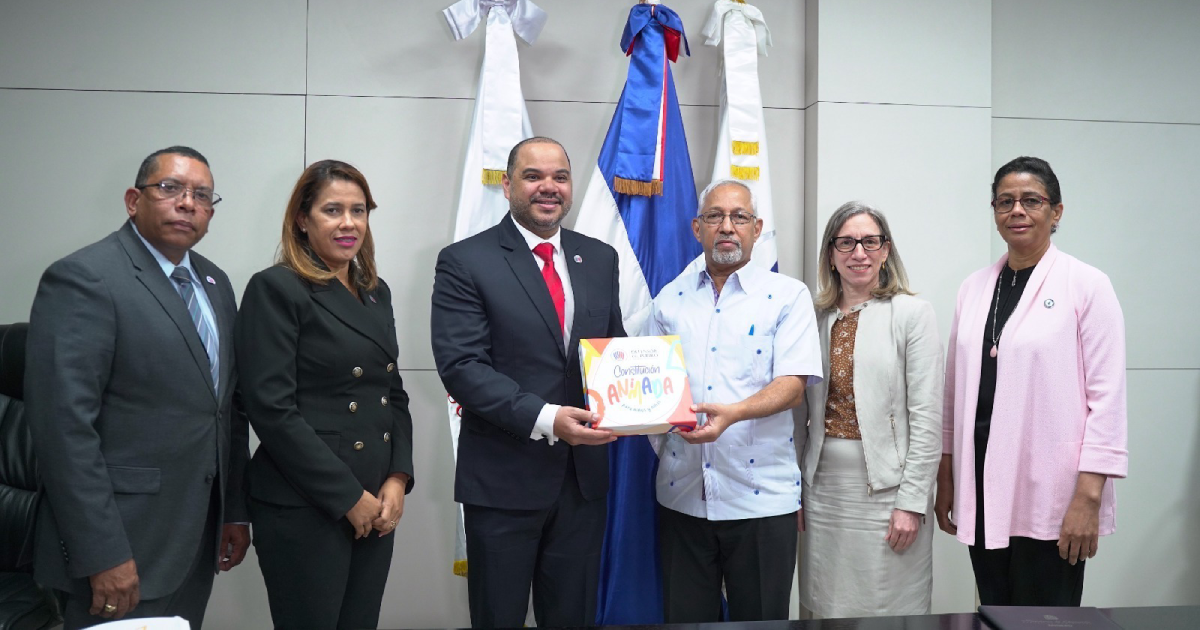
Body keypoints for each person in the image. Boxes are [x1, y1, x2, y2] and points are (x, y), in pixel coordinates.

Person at [25, 146, 249, 629]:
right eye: (170, 188)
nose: (187, 203)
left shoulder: (215, 283)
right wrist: (101, 554)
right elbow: (63, 431)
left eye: (202, 195)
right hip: (119, 547)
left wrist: (234, 511)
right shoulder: (85, 278)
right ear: (133, 200)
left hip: (195, 535)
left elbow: (225, 409)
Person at [431, 137, 625, 628]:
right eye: (534, 176)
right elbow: (462, 366)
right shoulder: (465, 261)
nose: (549, 187)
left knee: (573, 618)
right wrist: (547, 418)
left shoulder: (599, 258)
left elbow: (615, 353)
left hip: (583, 484)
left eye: (560, 176)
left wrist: (654, 405)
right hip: (503, 482)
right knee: (499, 618)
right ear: (507, 184)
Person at [936, 156, 1127, 606]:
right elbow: (953, 393)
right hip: (981, 482)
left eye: (1031, 200)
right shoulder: (975, 287)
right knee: (996, 610)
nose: (1016, 210)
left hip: (1054, 493)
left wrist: (1088, 497)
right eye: (1005, 201)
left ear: (1056, 211)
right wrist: (946, 473)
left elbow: (1108, 398)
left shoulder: (1087, 285)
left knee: (1046, 619)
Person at [234, 160, 415, 629]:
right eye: (332, 210)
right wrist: (346, 496)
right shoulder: (276, 288)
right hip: (308, 503)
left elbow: (391, 393)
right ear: (302, 218)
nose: (348, 223)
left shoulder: (375, 292)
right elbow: (271, 410)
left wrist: (397, 477)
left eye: (359, 210)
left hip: (375, 500)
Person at [645, 179, 821, 622]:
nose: (727, 226)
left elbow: (793, 385)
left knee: (761, 622)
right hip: (682, 495)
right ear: (696, 228)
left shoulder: (788, 295)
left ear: (757, 228)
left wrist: (734, 413)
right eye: (715, 216)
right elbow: (650, 386)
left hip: (760, 502)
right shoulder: (670, 300)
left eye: (739, 216)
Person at [797, 202, 943, 617]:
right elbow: (796, 414)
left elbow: (928, 419)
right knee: (825, 601)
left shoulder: (913, 315)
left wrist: (912, 502)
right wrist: (797, 490)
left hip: (889, 492)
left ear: (885, 250)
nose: (858, 252)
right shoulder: (812, 316)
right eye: (845, 242)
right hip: (823, 489)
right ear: (830, 253)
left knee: (888, 606)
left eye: (869, 241)